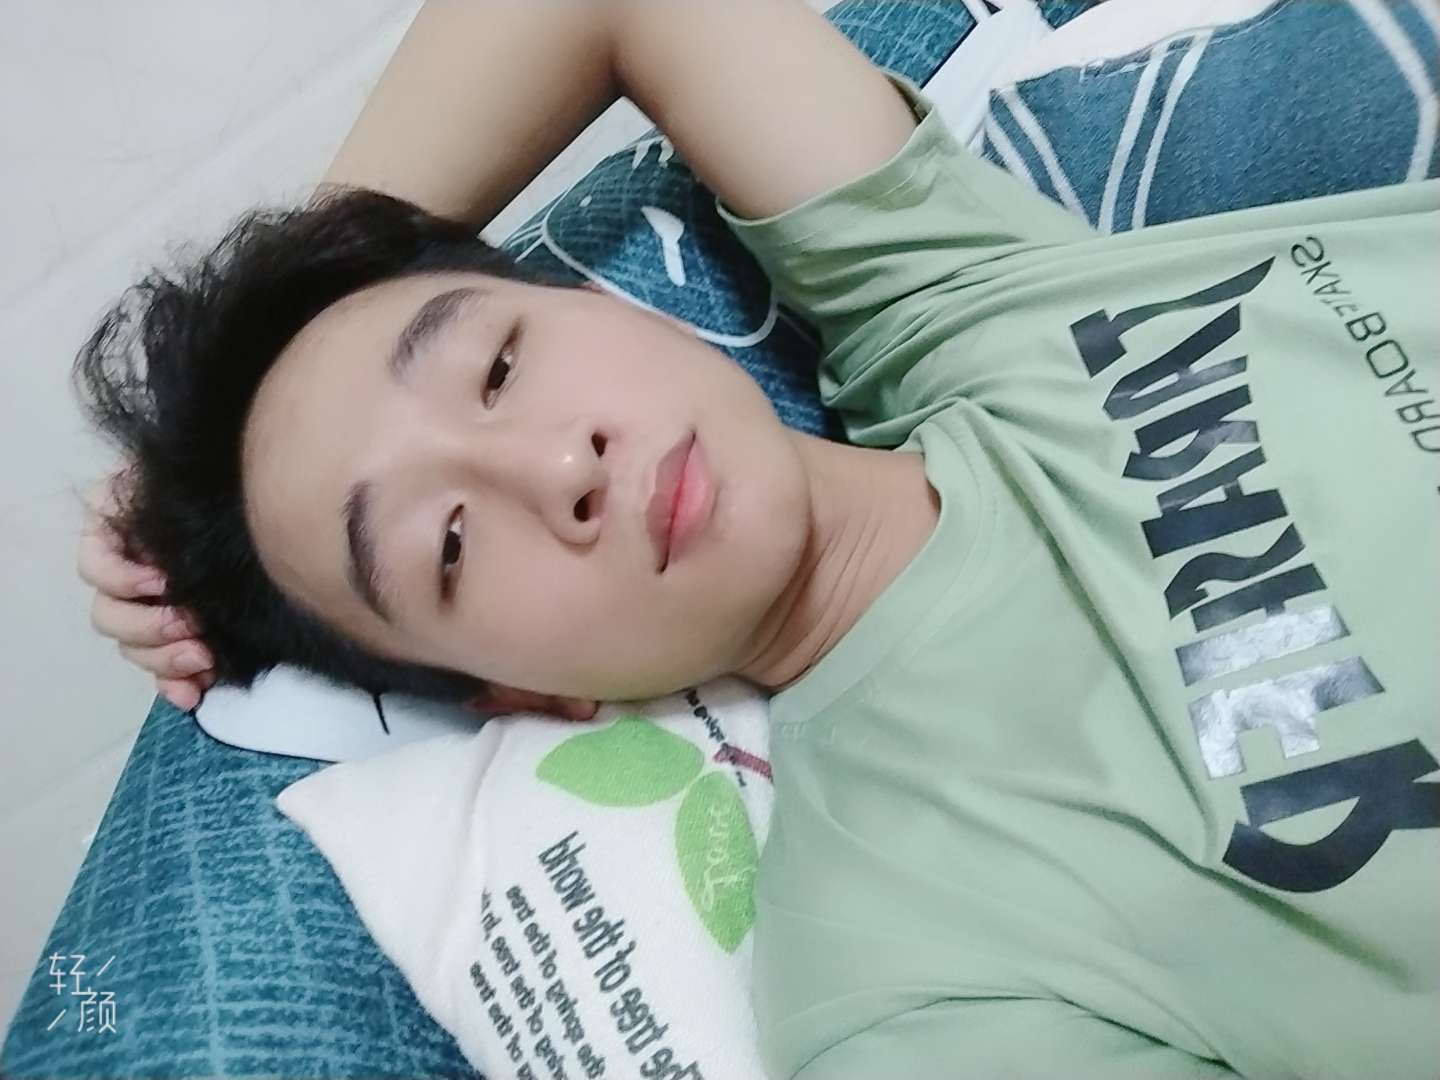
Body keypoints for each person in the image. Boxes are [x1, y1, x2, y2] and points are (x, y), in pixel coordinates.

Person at [76, 1, 1438, 1076]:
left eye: (498, 366)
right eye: (449, 548)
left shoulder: (961, 304)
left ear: (609, 307)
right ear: (513, 694)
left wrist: (281, 313)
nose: (560, 467)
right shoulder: (907, 970)